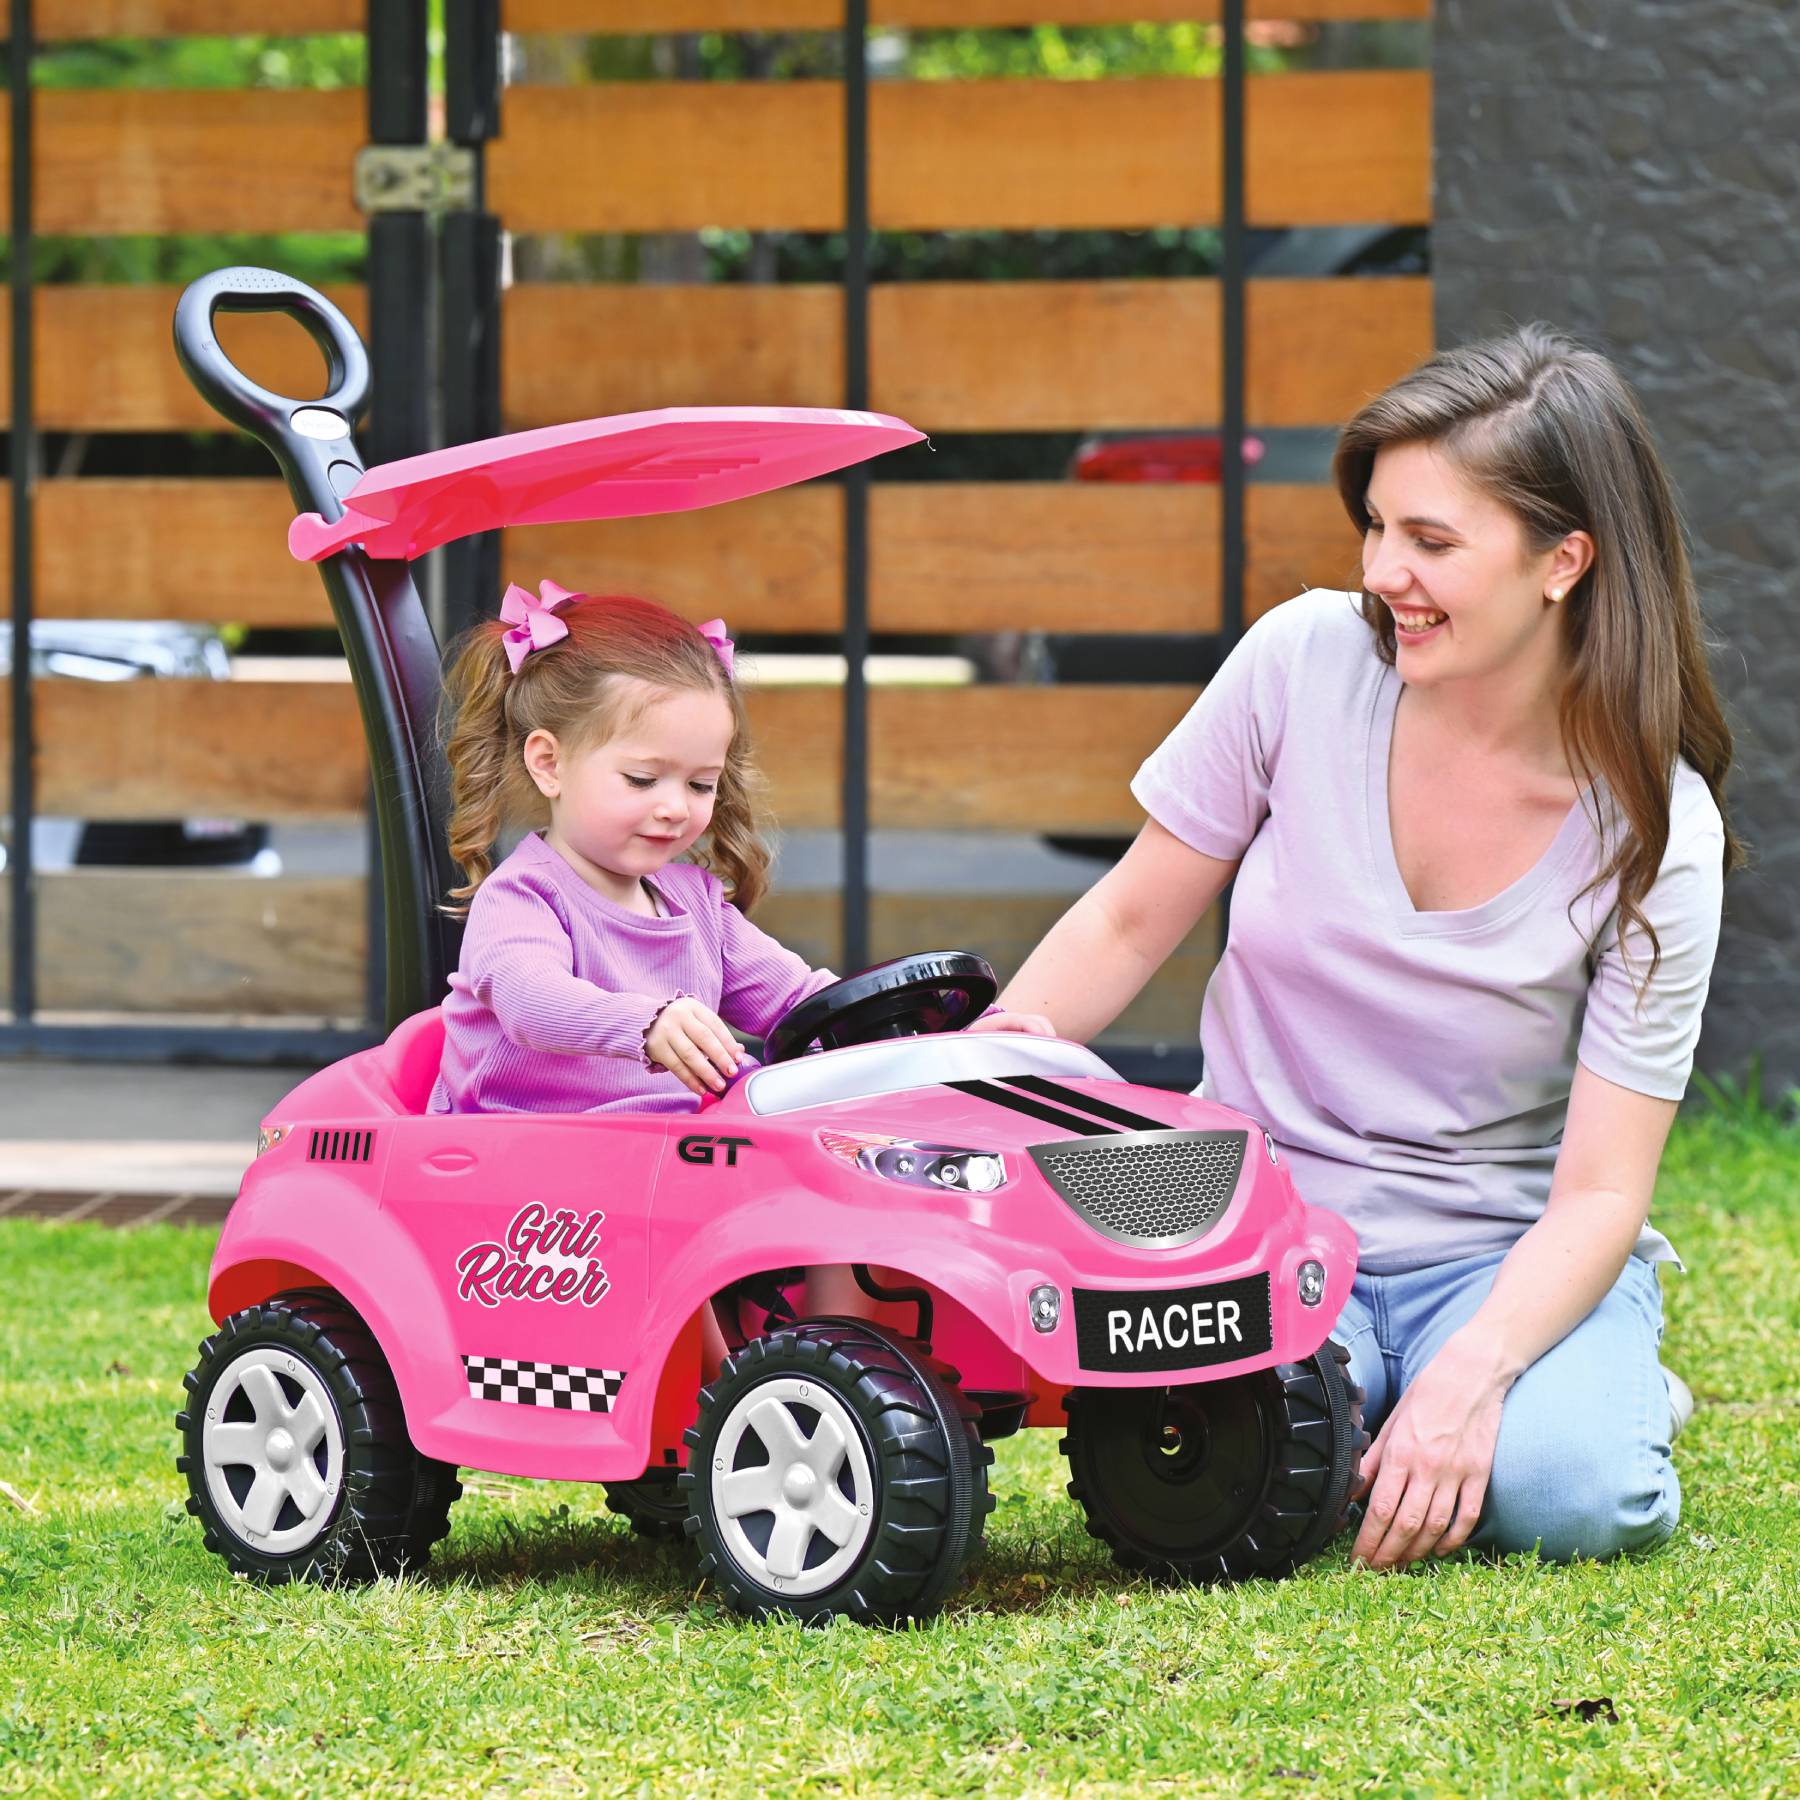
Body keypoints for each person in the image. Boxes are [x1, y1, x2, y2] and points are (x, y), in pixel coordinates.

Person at [999, 324, 1742, 1568]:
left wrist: (1476, 1378)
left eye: (1433, 542)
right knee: (1214, 1480)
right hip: (1268, 1220)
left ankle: (1585, 1399)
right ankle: (1397, 1410)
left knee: (1576, 1500)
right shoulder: (1301, 663)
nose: (1385, 570)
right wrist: (968, 1091)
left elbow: (1605, 1191)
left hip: (1496, 1253)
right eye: (1378, 527)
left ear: (1565, 561)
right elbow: (1130, 916)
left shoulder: (1660, 833)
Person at [431, 582, 1048, 1117]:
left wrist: (943, 1039)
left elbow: (805, 1004)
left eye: (701, 784)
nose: (676, 806)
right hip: (528, 1180)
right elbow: (530, 1000)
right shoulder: (524, 898)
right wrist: (644, 1023)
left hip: (665, 1157)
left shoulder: (696, 905)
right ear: (549, 764)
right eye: (643, 780)